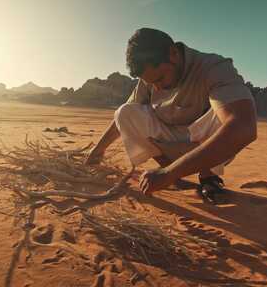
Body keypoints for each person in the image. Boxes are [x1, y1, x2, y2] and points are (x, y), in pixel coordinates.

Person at [85, 28, 257, 203]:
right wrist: (97, 150)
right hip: (171, 142)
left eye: (160, 79)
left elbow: (244, 127)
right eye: (151, 83)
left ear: (174, 53)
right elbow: (123, 119)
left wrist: (168, 175)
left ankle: (208, 177)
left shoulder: (213, 67)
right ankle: (171, 169)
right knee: (124, 112)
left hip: (206, 143)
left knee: (226, 113)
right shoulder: (150, 78)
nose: (157, 88)